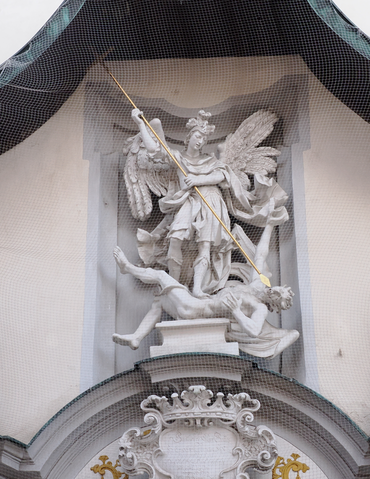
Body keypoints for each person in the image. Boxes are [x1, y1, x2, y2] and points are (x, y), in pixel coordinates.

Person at [112, 208, 299, 358]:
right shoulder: (258, 285)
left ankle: (127, 268)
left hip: (195, 310)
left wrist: (236, 312)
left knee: (161, 276)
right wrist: (269, 224)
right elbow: (260, 254)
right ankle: (136, 337)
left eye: (277, 296)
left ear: (274, 303)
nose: (274, 291)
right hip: (196, 304)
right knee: (159, 301)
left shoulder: (260, 308)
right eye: (279, 290)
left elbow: (254, 330)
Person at [130, 108, 233, 296]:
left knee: (205, 245)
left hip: (210, 199)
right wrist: (140, 124)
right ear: (189, 137)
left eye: (203, 138)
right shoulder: (177, 157)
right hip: (188, 200)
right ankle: (174, 287)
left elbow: (222, 175)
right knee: (175, 238)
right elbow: (154, 149)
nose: (200, 140)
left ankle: (197, 289)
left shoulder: (209, 159)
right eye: (197, 135)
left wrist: (198, 180)